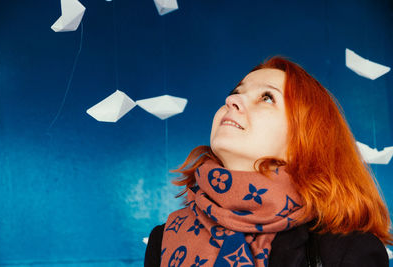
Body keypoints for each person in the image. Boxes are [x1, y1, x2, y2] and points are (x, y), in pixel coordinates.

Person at [144, 56, 392, 267]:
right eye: (235, 93)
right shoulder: (163, 239)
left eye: (266, 98)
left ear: (305, 140)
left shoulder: (349, 251)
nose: (232, 101)